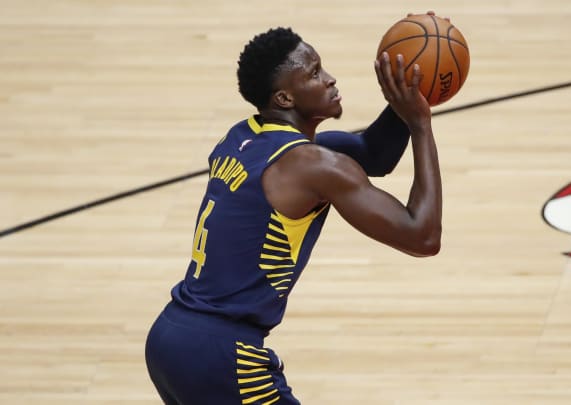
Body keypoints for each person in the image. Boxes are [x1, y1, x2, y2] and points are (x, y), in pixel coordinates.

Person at [145, 21, 441, 405]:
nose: (331, 79)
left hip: (170, 337)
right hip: (222, 353)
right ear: (285, 99)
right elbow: (423, 237)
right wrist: (419, 124)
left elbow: (374, 152)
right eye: (314, 73)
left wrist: (407, 96)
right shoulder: (311, 166)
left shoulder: (244, 136)